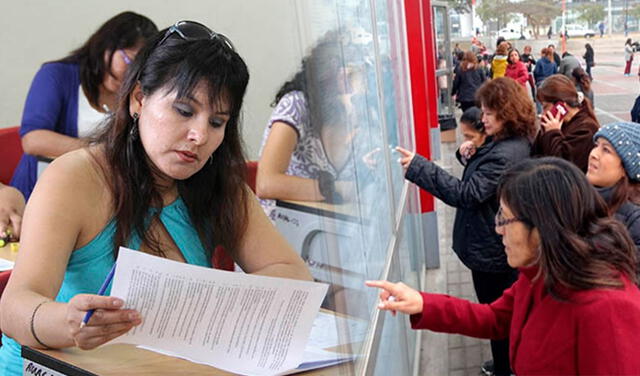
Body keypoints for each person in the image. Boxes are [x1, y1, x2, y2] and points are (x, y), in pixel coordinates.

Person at [0, 20, 311, 375]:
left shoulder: (219, 185)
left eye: (217, 122)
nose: (199, 135)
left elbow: (293, 276)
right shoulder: (75, 178)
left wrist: (213, 302)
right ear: (138, 100)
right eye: (184, 111)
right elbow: (15, 306)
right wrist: (68, 321)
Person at [367, 157, 640, 375]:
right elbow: (496, 319)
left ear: (543, 228)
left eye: (505, 219)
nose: (498, 230)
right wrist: (423, 303)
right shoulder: (544, 271)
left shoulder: (608, 309)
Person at [396, 78, 536, 376]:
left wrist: (420, 167)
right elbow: (480, 169)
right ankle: (503, 363)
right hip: (491, 246)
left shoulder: (505, 152)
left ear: (506, 113)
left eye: (487, 113)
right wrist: (465, 152)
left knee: (496, 316)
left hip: (492, 252)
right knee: (497, 312)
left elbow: (466, 194)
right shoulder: (509, 142)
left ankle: (504, 368)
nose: (482, 119)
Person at [10, 12, 158, 201]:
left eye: (139, 69)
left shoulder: (137, 94)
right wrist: (104, 153)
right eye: (128, 61)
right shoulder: (57, 75)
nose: (131, 73)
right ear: (106, 45)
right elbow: (33, 140)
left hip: (97, 196)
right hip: (41, 191)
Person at [255, 31, 363, 219]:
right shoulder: (296, 104)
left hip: (331, 227)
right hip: (286, 227)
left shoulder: (352, 114)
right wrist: (336, 189)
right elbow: (266, 184)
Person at [587, 122, 640, 263]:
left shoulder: (634, 218)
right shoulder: (581, 196)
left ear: (626, 168)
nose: (594, 154)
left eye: (606, 150)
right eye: (596, 145)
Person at [533, 74, 599, 172]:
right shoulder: (558, 122)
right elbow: (535, 154)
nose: (543, 113)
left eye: (545, 107)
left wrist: (553, 133)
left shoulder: (587, 128)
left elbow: (562, 164)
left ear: (560, 106)